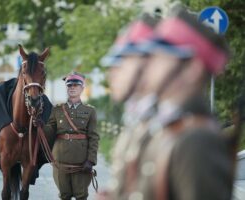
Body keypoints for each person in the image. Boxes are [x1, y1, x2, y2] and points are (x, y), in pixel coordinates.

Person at [98, 7, 234, 200]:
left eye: (161, 56)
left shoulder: (197, 140)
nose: (149, 64)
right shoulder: (167, 129)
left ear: (192, 69)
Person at [43, 71, 99, 200]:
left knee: (81, 195)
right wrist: (39, 124)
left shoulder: (90, 111)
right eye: (69, 85)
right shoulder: (56, 110)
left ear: (82, 88)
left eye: (76, 85)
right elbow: (49, 132)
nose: (72, 88)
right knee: (64, 195)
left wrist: (91, 160)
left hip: (81, 162)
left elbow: (94, 137)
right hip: (60, 160)